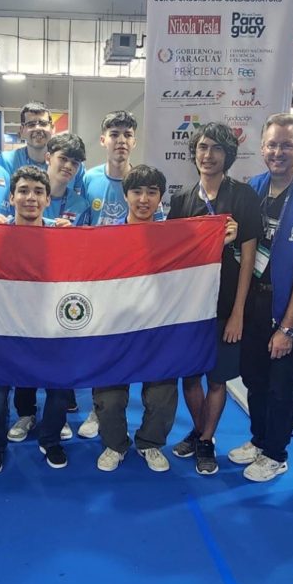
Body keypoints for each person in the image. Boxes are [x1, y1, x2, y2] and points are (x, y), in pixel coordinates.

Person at [228, 114, 293, 482]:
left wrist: (288, 327)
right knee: (254, 377)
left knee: (280, 385)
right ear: (262, 148)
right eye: (272, 144)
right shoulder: (252, 188)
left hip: (287, 309)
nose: (278, 152)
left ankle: (276, 453)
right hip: (254, 300)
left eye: (286, 145)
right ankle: (257, 440)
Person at [168, 122, 262, 475]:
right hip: (192, 306)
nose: (208, 155)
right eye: (203, 147)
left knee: (218, 378)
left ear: (228, 155)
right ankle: (199, 429)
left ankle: (207, 440)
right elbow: (175, 258)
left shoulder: (243, 196)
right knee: (190, 377)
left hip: (225, 304)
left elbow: (250, 257)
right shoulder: (181, 200)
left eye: (216, 149)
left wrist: (238, 312)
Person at [0, 166, 72, 473]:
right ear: (11, 198)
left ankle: (51, 440)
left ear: (48, 200)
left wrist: (70, 239)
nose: (30, 198)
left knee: (59, 386)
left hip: (50, 326)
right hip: (4, 326)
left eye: (37, 192)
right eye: (23, 191)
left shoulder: (62, 235)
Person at [78, 111, 161, 438]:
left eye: (127, 134)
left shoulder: (144, 182)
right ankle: (97, 413)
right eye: (114, 134)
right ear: (103, 140)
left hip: (138, 282)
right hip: (99, 280)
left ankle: (142, 424)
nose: (121, 140)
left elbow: (162, 232)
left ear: (134, 141)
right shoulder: (88, 180)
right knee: (103, 349)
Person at [93, 166, 178, 473]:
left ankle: (150, 443)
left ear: (160, 198)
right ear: (125, 194)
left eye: (152, 192)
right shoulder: (104, 236)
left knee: (162, 395)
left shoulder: (173, 237)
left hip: (158, 330)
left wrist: (219, 239)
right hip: (114, 329)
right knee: (110, 397)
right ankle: (115, 444)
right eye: (137, 192)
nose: (144, 199)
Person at [7, 133, 88, 443]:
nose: (68, 165)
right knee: (24, 351)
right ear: (48, 156)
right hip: (20, 292)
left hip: (59, 292)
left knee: (58, 353)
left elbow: (89, 245)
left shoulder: (79, 202)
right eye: (62, 158)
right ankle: (26, 413)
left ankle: (58, 416)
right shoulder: (25, 190)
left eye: (74, 162)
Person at [0, 102, 55, 177]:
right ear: (21, 130)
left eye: (43, 123)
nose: (37, 128)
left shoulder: (65, 163)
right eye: (31, 124)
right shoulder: (6, 161)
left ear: (52, 128)